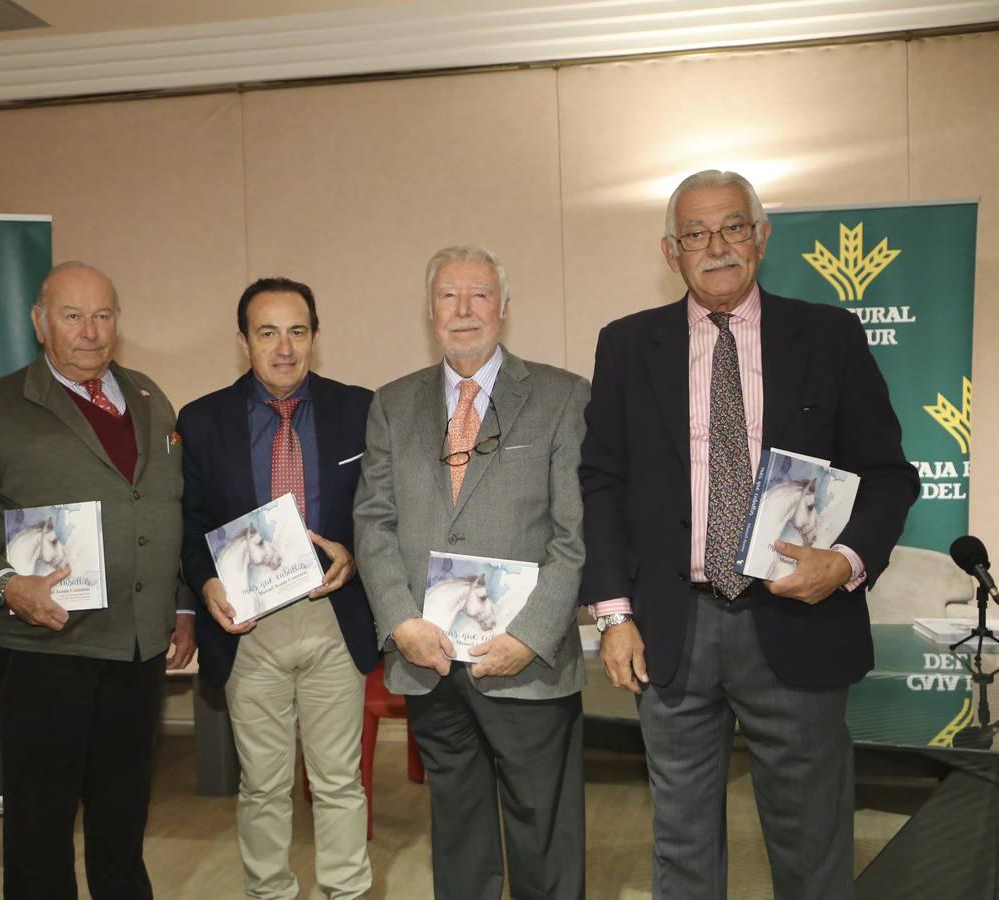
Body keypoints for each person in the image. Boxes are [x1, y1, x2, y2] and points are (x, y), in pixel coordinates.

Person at [578, 169, 920, 899]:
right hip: (673, 629)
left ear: (762, 236)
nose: (717, 246)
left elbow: (888, 473)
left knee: (813, 848)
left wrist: (847, 560)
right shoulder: (627, 345)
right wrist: (612, 614)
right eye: (696, 233)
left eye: (733, 226)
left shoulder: (828, 336)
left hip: (798, 618)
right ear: (671, 253)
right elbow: (601, 483)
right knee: (683, 848)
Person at [0, 261, 195, 900]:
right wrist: (6, 584)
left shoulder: (150, 398)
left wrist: (181, 606)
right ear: (39, 323)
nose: (90, 332)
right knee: (41, 820)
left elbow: (169, 509)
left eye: (103, 315)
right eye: (72, 316)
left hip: (136, 646)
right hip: (47, 648)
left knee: (124, 811)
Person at [353, 245, 589, 900]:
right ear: (430, 312)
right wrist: (401, 622)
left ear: (505, 309)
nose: (464, 310)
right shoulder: (392, 406)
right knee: (457, 831)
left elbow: (576, 534)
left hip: (525, 662)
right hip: (428, 661)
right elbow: (374, 523)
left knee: (544, 834)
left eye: (479, 295)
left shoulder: (561, 397)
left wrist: (533, 636)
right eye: (449, 296)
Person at [179, 277, 377, 899]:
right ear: (243, 341)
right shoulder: (202, 420)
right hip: (249, 626)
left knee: (339, 780)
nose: (284, 348)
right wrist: (206, 580)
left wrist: (357, 555)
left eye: (298, 331)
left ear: (316, 336)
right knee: (263, 785)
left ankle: (346, 891)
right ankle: (269, 893)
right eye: (268, 332)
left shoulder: (362, 410)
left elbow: (386, 511)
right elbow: (185, 523)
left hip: (333, 617)